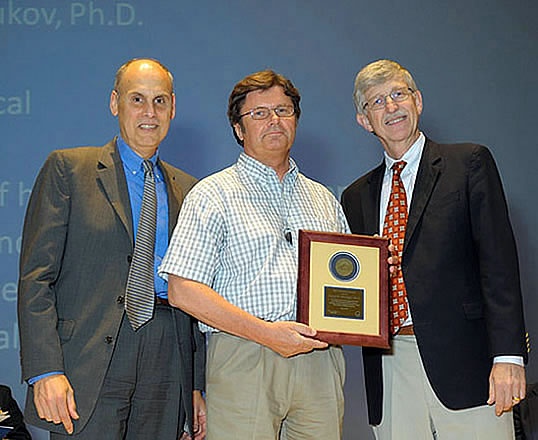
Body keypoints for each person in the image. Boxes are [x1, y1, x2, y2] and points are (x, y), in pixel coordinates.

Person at [17, 58, 206, 440]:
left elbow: (195, 291)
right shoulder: (68, 169)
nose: (149, 113)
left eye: (159, 101)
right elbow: (36, 279)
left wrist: (195, 384)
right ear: (114, 103)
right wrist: (45, 370)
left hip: (167, 357)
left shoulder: (190, 189)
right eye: (137, 99)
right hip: (89, 357)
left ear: (173, 107)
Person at [341, 59, 527, 439]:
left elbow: (500, 266)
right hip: (389, 368)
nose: (391, 107)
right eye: (377, 102)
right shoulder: (355, 196)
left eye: (398, 94)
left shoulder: (469, 163)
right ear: (364, 120)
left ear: (418, 101)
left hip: (469, 368)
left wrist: (508, 357)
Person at [158, 70, 349, 439]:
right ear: (238, 129)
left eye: (283, 110)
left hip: (319, 360)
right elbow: (182, 290)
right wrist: (266, 333)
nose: (274, 120)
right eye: (259, 113)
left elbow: (345, 286)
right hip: (243, 355)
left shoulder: (324, 199)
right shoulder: (212, 194)